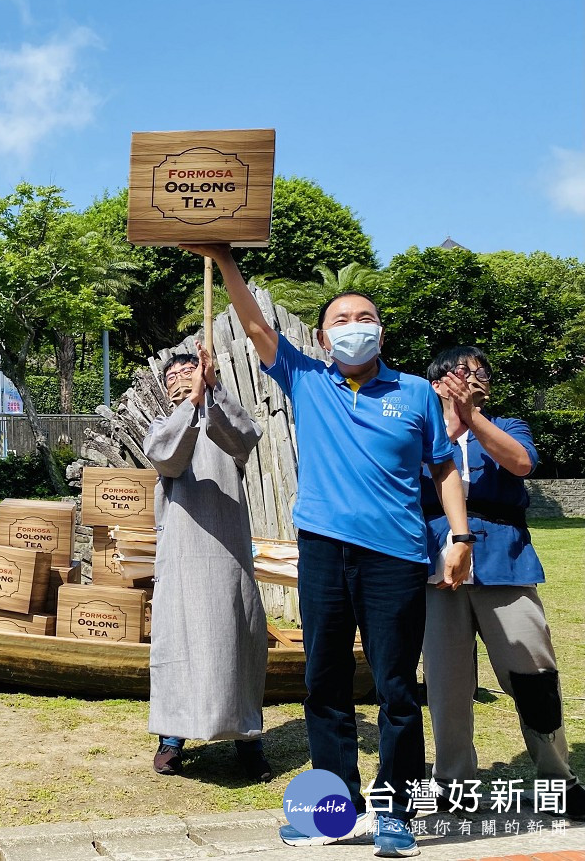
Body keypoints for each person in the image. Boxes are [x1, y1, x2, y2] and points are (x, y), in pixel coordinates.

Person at [193, 243, 473, 858]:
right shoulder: (307, 378)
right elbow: (257, 325)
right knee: (324, 681)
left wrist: (458, 538)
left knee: (397, 687)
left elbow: (446, 469)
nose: (353, 327)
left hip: (397, 556)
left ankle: (396, 810)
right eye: (340, 321)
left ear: (381, 330)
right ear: (322, 338)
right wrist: (224, 259)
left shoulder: (418, 394)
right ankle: (333, 805)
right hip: (322, 550)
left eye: (363, 317)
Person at [420, 347, 584, 820]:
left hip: (505, 564)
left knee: (534, 675)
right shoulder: (419, 433)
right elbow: (407, 478)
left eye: (482, 371)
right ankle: (454, 784)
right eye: (462, 371)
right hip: (438, 565)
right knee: (447, 684)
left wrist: (474, 417)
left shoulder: (508, 425)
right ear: (437, 383)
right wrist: (452, 419)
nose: (475, 376)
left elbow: (521, 464)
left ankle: (559, 779)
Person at [142, 345, 272, 783]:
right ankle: (172, 738)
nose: (182, 377)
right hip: (181, 554)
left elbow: (244, 437)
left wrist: (211, 396)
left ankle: (247, 738)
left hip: (228, 553)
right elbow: (166, 456)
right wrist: (193, 404)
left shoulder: (224, 422)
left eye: (189, 369)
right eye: (173, 374)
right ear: (165, 389)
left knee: (237, 639)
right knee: (176, 641)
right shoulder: (165, 426)